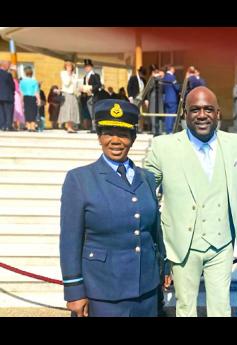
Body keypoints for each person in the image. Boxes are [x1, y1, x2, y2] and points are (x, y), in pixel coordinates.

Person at [59, 99, 170, 317]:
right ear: (99, 136)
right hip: (102, 292)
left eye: (124, 133)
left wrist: (163, 266)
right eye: (108, 132)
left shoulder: (146, 178)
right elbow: (70, 241)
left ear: (134, 137)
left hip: (146, 291)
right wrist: (74, 291)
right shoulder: (79, 179)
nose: (116, 140)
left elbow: (154, 231)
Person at [144, 86, 237, 317]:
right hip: (183, 242)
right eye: (195, 110)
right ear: (184, 113)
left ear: (218, 113)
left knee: (221, 309)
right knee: (185, 308)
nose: (202, 115)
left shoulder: (236, 144)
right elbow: (144, 189)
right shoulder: (164, 147)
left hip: (222, 242)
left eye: (208, 109)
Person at [79, 59, 102, 132]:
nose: (86, 68)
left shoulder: (95, 75)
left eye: (88, 66)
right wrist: (82, 90)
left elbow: (98, 85)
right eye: (85, 67)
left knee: (94, 111)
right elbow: (85, 85)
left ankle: (95, 127)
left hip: (94, 96)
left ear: (91, 67)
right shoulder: (85, 77)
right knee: (90, 112)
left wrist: (91, 88)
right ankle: (93, 127)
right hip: (87, 96)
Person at [58, 61, 80, 133]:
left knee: (73, 111)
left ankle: (71, 126)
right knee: (67, 110)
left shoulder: (75, 75)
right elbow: (66, 83)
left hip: (73, 94)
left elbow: (76, 84)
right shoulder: (63, 73)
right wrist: (70, 75)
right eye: (67, 66)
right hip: (67, 93)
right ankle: (68, 127)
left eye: (70, 66)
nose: (69, 67)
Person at [144, 64, 165, 136]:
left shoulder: (154, 79)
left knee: (154, 114)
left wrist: (153, 77)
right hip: (159, 98)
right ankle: (159, 130)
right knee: (158, 115)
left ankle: (155, 130)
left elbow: (148, 88)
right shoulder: (161, 78)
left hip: (154, 98)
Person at [19, 66, 40, 132]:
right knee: (33, 112)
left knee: (27, 111)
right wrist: (38, 100)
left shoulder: (22, 82)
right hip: (32, 98)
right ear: (32, 73)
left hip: (25, 98)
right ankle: (33, 127)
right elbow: (36, 92)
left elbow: (21, 92)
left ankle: (28, 127)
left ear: (25, 73)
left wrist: (21, 101)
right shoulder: (34, 81)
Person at [162, 65, 180, 134]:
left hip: (166, 98)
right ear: (171, 69)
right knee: (171, 114)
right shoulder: (172, 77)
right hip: (172, 99)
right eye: (174, 69)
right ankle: (170, 130)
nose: (174, 70)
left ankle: (167, 129)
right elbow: (177, 87)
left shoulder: (164, 77)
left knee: (167, 114)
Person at [0, 60, 14, 131]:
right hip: (7, 96)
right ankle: (8, 126)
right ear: (4, 65)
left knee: (1, 111)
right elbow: (12, 86)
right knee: (8, 111)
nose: (9, 67)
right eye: (8, 65)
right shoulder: (8, 74)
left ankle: (2, 126)